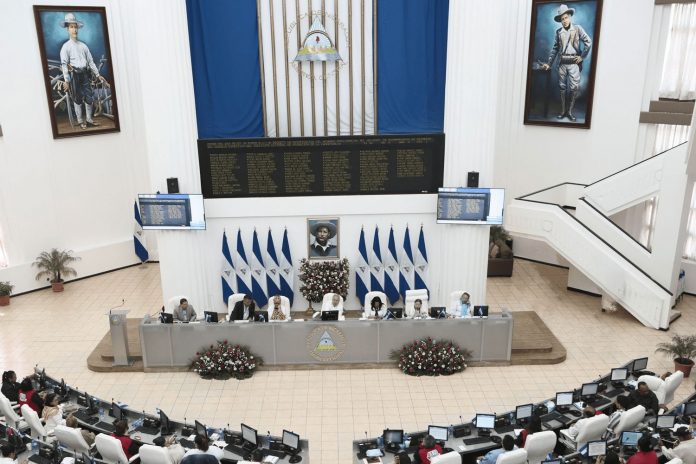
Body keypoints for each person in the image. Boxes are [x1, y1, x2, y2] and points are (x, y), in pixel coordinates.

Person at [540, 4, 592, 121]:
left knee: (574, 88)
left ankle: (570, 112)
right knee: (562, 87)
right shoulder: (559, 32)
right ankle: (563, 111)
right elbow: (555, 49)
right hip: (562, 63)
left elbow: (588, 42)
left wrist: (582, 57)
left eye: (566, 18)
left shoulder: (577, 28)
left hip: (574, 62)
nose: (564, 21)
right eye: (562, 19)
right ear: (560, 21)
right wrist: (549, 63)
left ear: (570, 17)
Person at [59, 13, 107, 130]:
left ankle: (89, 120)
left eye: (75, 27)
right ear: (67, 29)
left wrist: (98, 75)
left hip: (85, 74)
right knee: (77, 98)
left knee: (89, 96)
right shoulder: (65, 47)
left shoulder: (83, 46)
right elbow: (64, 64)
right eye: (71, 27)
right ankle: (80, 121)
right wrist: (66, 80)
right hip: (74, 75)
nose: (74, 29)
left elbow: (90, 62)